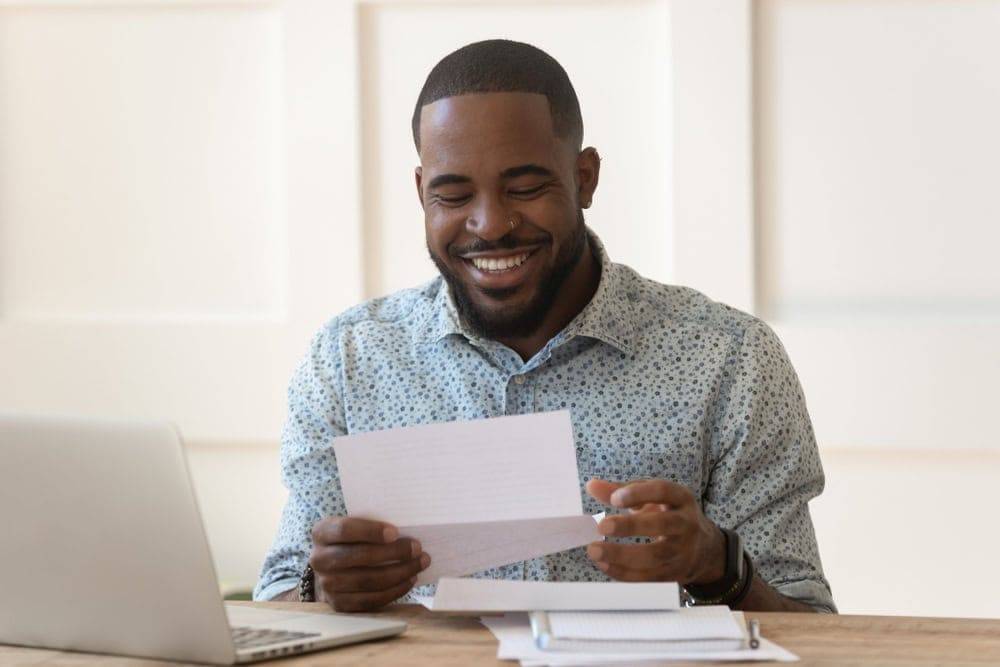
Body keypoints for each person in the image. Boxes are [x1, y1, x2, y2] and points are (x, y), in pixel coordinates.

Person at [254, 39, 835, 614]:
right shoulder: (349, 358)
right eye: (453, 195)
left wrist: (718, 566)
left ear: (585, 178)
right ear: (420, 192)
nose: (490, 225)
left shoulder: (730, 360)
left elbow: (811, 627)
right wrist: (323, 588)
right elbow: (277, 597)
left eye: (526, 189)